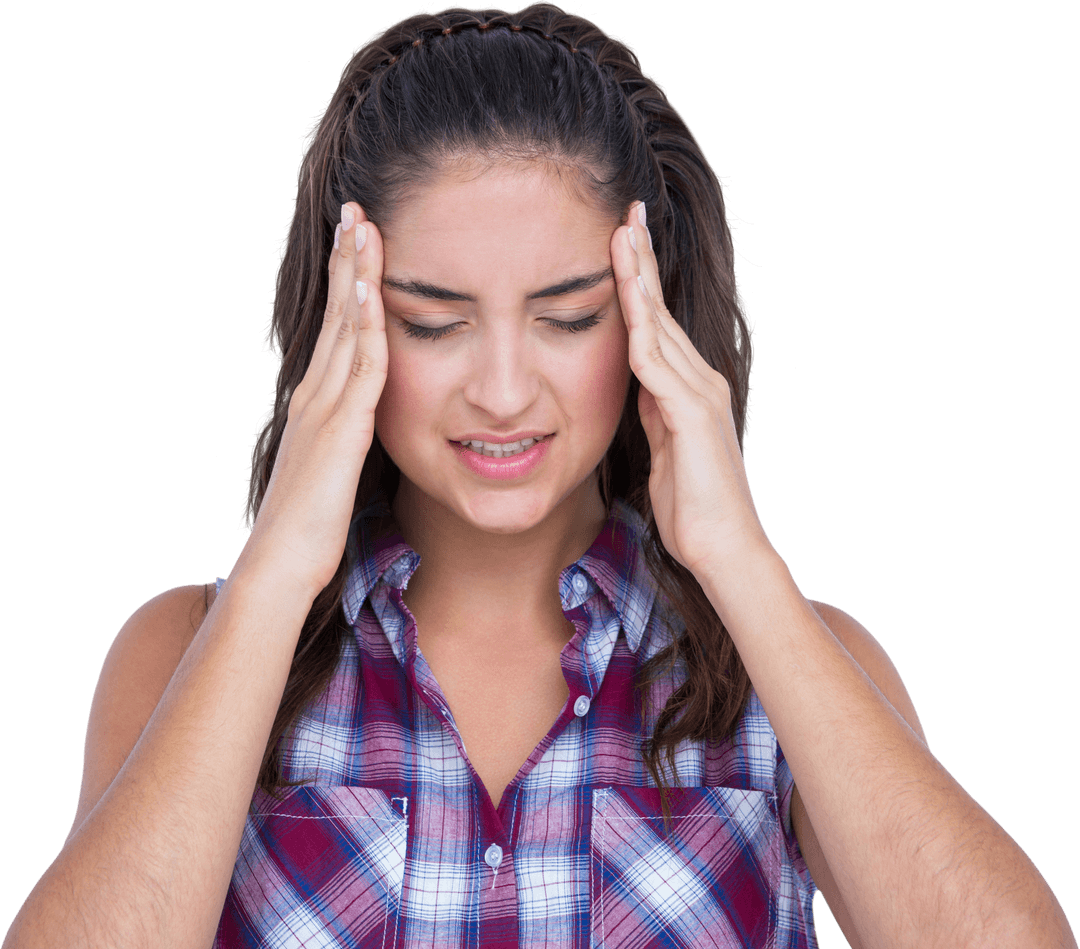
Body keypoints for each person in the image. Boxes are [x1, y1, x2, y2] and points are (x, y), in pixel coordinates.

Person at [4, 4, 1075, 948]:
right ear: (347, 322)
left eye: (568, 317)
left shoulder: (793, 667)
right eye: (435, 322)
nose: (505, 391)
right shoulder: (183, 651)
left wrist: (740, 561)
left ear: (649, 322)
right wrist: (279, 568)